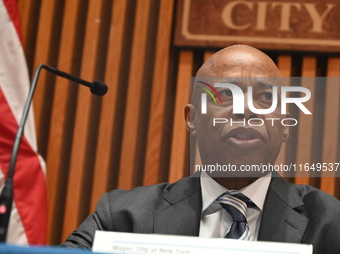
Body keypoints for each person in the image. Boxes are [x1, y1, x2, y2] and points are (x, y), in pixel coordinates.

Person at [62, 45, 340, 254]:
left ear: (285, 125)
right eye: (226, 95)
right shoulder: (122, 216)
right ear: (192, 119)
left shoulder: (330, 222)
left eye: (265, 98)